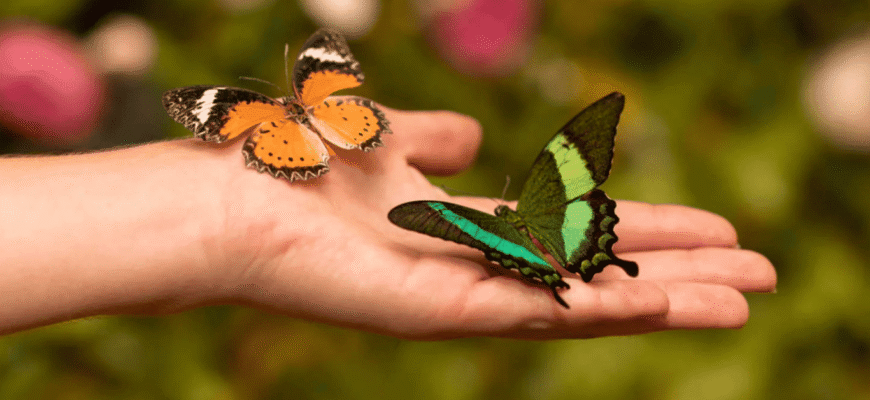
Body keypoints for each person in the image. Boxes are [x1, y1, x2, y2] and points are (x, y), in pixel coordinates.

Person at [0, 106, 776, 338]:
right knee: (565, 222)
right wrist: (223, 210)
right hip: (554, 234)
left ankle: (549, 264)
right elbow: (466, 215)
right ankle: (565, 258)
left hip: (517, 246)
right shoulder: (512, 204)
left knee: (534, 237)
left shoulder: (468, 221)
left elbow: (449, 220)